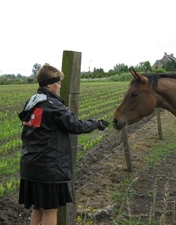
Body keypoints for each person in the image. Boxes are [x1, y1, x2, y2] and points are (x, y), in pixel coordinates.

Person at [18, 63, 109, 225]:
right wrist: (97, 124)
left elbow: (46, 122)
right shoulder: (52, 106)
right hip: (48, 168)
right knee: (51, 210)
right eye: (58, 83)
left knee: (38, 208)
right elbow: (75, 125)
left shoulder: (32, 102)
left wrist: (60, 110)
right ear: (49, 84)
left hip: (30, 164)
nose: (60, 86)